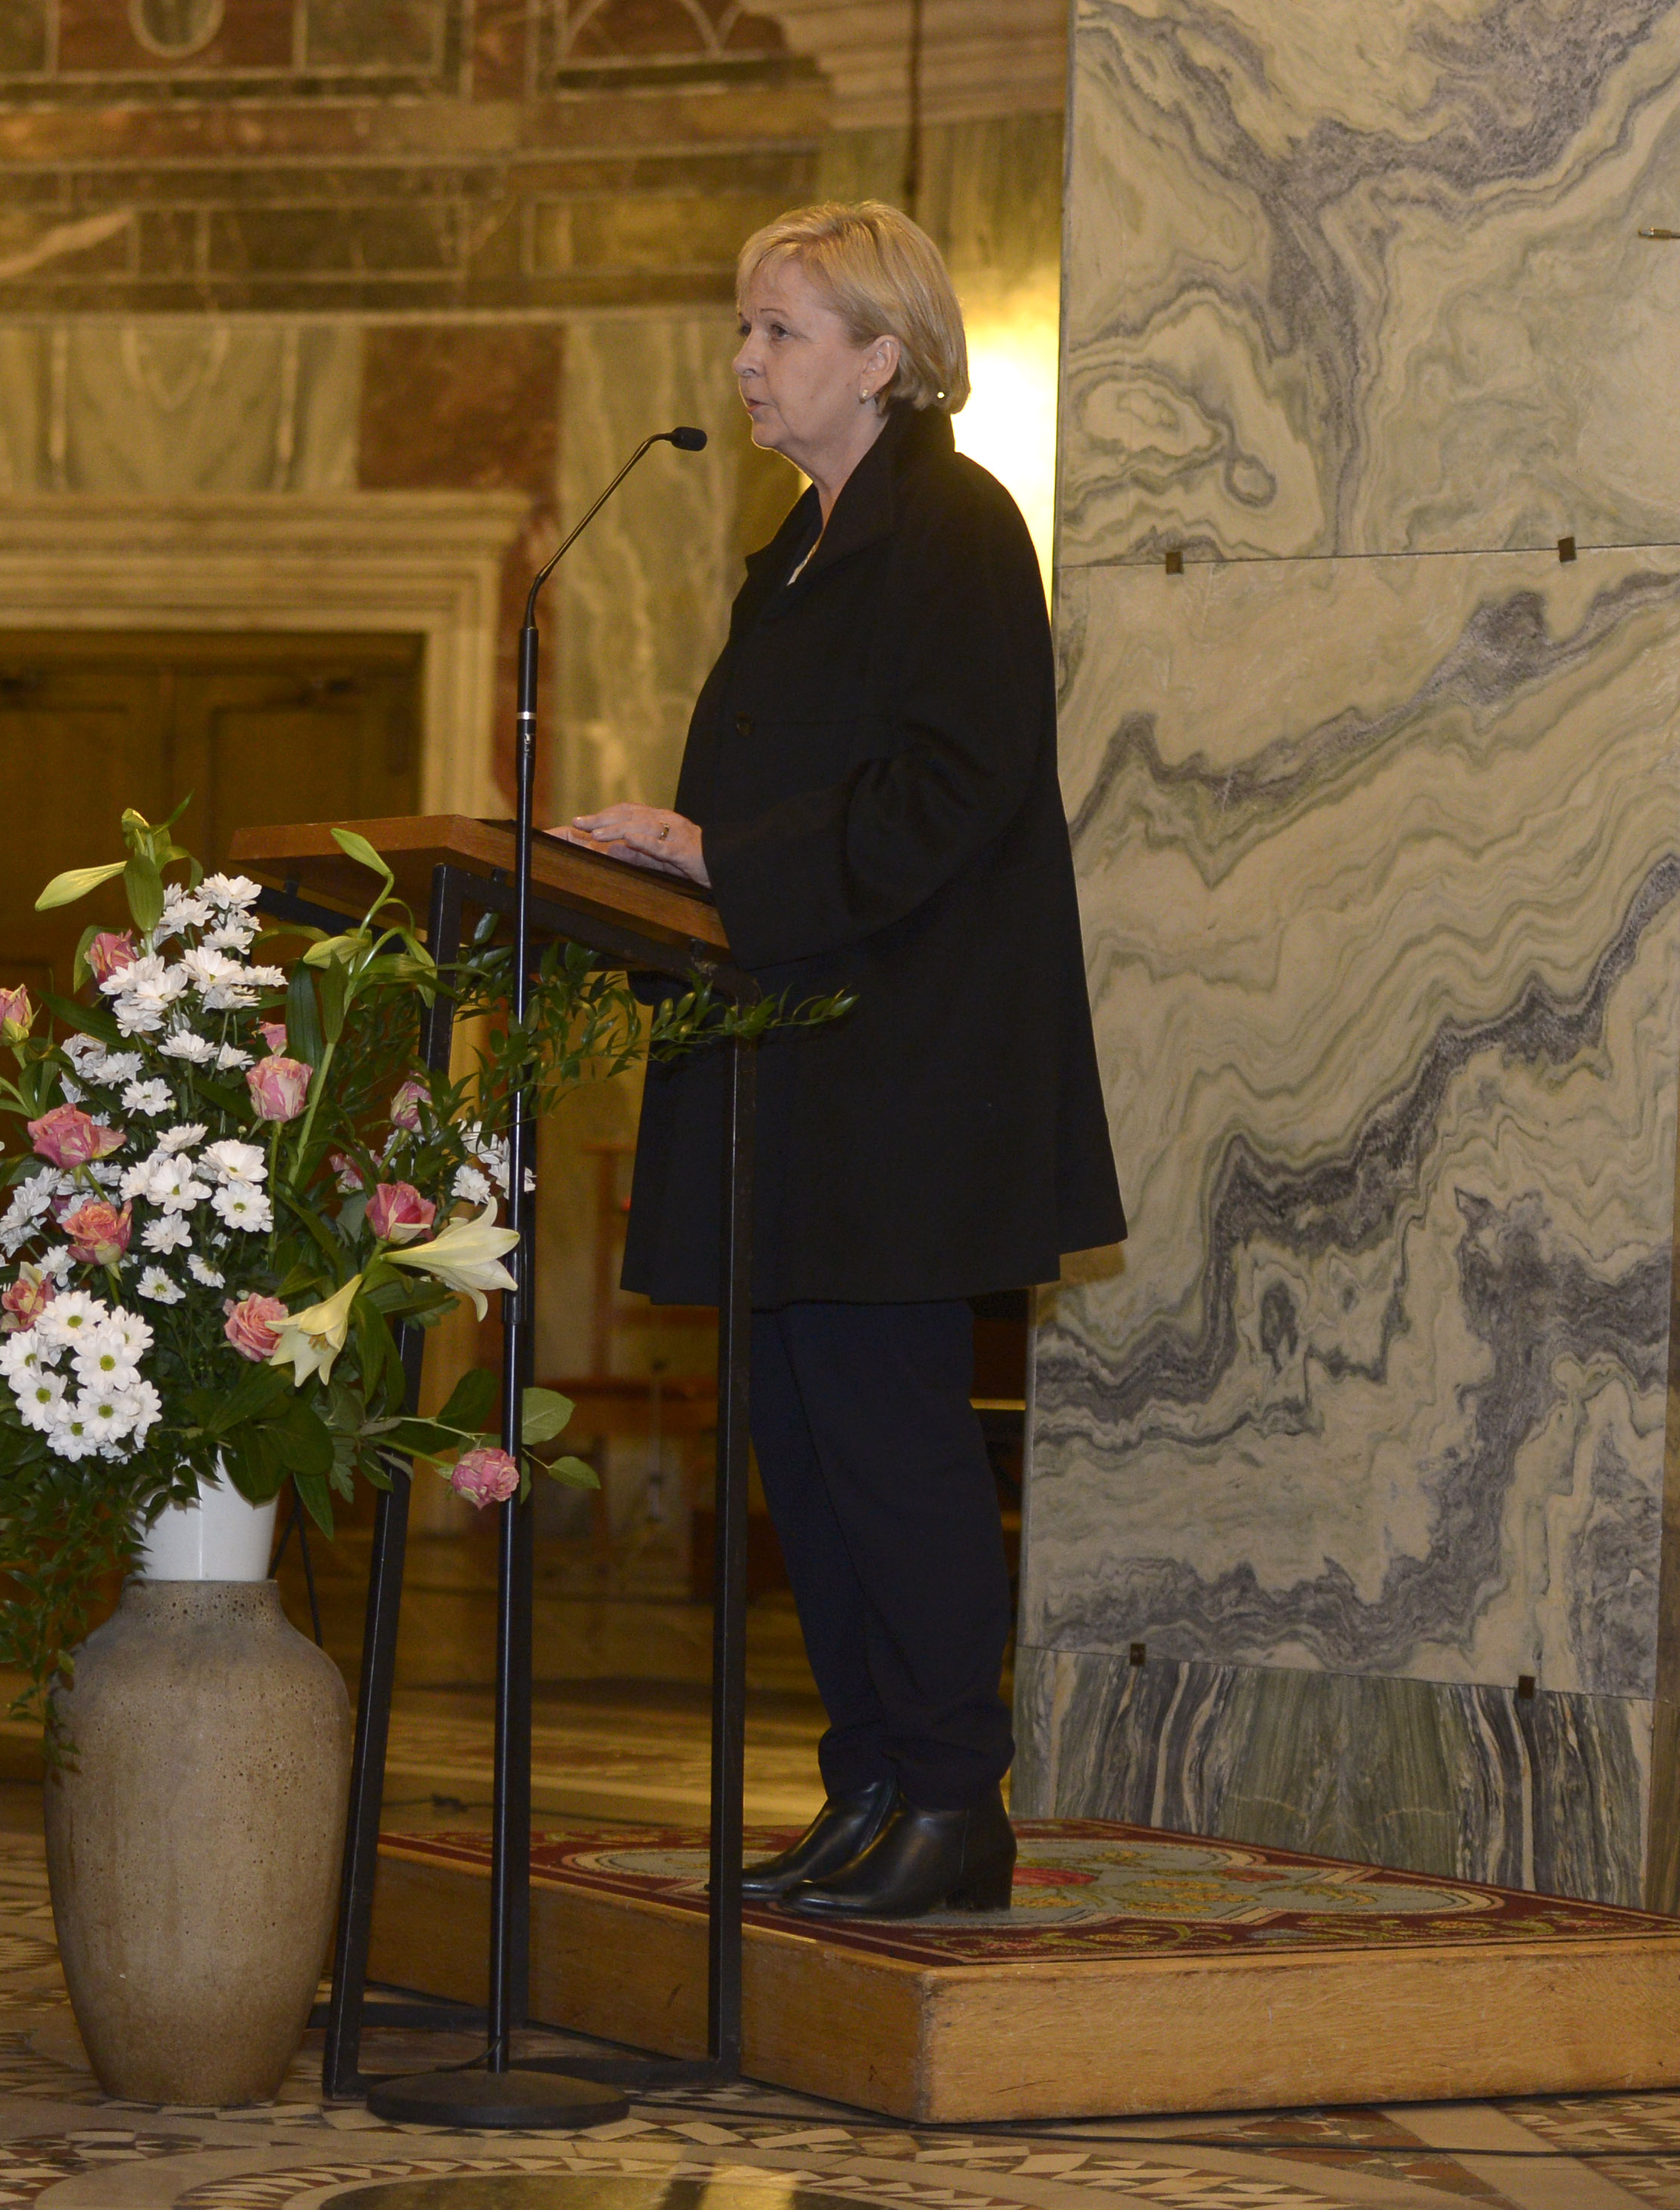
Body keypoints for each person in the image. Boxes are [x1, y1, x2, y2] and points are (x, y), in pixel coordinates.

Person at [561, 200, 1122, 1922]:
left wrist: (719, 855)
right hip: (788, 1078)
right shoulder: (794, 552)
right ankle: (869, 1783)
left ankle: (954, 1801)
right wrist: (666, 871)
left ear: (882, 357)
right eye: (744, 329)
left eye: (780, 331)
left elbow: (956, 793)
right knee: (805, 1461)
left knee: (891, 1451)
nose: (744, 362)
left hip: (900, 1089)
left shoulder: (955, 528)